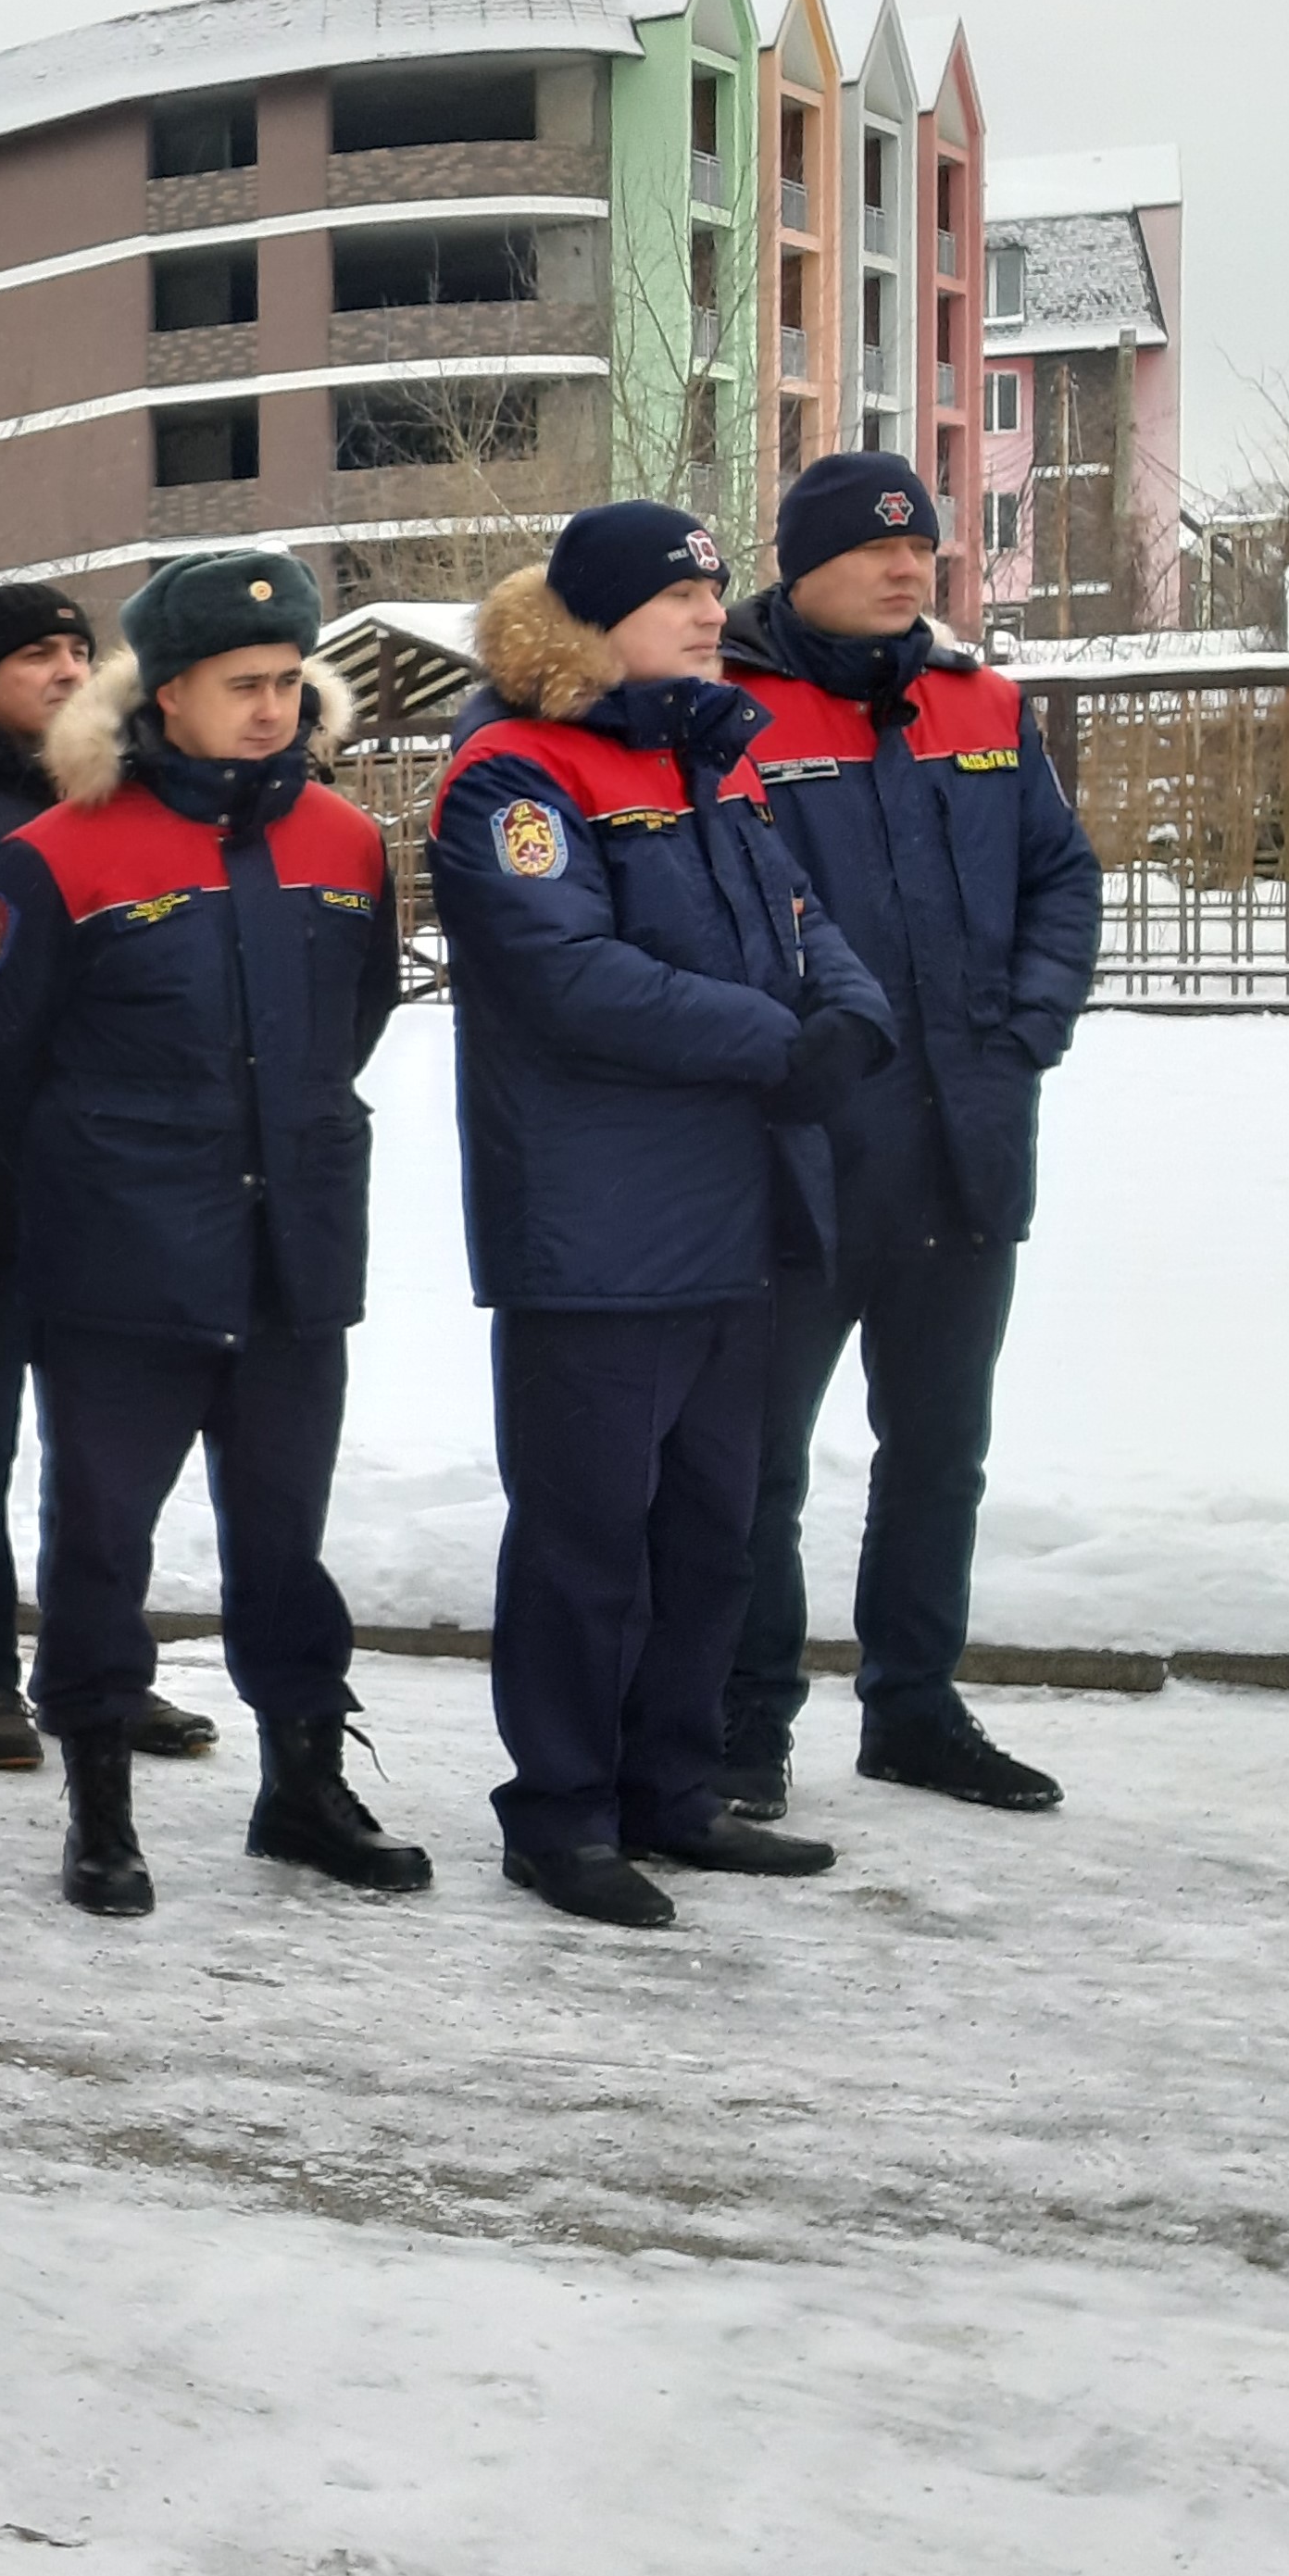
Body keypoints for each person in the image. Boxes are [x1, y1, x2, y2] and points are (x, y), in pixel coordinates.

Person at [433, 502, 893, 1929]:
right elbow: (568, 978)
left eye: (712, 590)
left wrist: (853, 1020)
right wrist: (778, 1040)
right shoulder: (511, 772)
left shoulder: (714, 763)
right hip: (599, 1225)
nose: (711, 612)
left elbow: (814, 928)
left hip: (741, 1215)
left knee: (712, 1528)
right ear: (593, 618)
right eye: (676, 594)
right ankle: (561, 1810)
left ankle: (669, 1788)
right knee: (587, 1538)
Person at [0, 550, 433, 1916]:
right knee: (102, 1537)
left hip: (294, 1254)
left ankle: (301, 1786)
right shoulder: (58, 851)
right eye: (244, 685)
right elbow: (5, 1060)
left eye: (290, 681)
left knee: (285, 1537)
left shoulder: (344, 840)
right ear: (165, 692)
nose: (274, 707)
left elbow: (358, 1015)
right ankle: (100, 1802)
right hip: (123, 1262)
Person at [715, 453, 1101, 1818]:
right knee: (757, 1458)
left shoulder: (984, 702)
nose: (905, 570)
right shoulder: (730, 713)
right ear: (799, 563)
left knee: (941, 1445)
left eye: (923, 551)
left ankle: (914, 1707)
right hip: (809, 1153)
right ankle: (743, 1722)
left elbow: (1059, 874)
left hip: (969, 1142)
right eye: (876, 550)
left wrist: (1025, 1027)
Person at [0, 579, 206, 1779]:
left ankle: (100, 1666)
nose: (70, 669)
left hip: (109, 1180)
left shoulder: (128, 795)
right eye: (39, 652)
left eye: (81, 648)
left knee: (106, 1445)